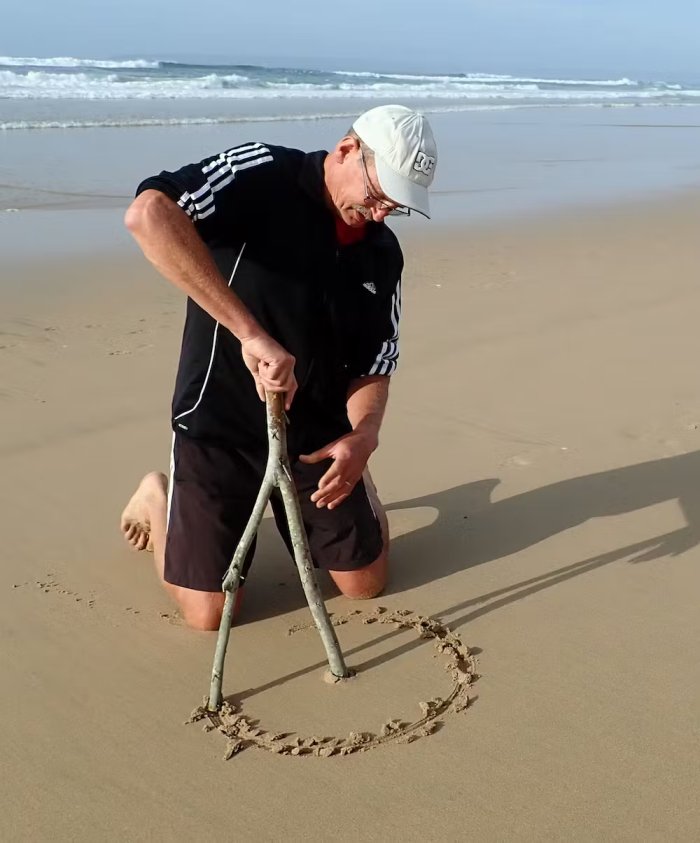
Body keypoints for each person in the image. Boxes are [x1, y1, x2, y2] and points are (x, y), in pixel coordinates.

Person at [120, 104, 437, 630]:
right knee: (211, 615)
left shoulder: (381, 254)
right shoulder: (263, 173)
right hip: (219, 423)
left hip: (316, 432)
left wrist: (365, 436)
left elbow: (377, 358)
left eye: (397, 205)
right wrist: (251, 334)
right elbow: (149, 215)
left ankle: (360, 483)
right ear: (346, 151)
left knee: (365, 585)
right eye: (379, 194)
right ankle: (160, 498)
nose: (382, 213)